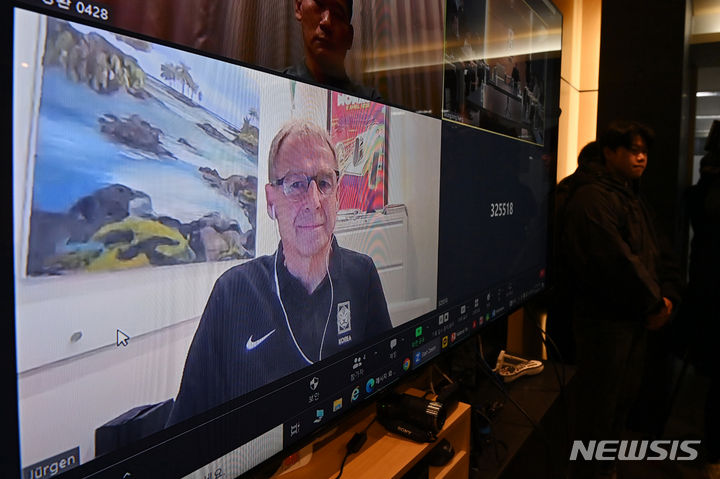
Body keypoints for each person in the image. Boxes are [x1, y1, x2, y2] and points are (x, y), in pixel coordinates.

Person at [168, 120, 392, 426]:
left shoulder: (362, 274)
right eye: (297, 184)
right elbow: (187, 430)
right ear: (272, 201)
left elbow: (386, 382)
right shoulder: (233, 293)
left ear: (337, 194)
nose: (314, 202)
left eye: (324, 183)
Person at [560, 121, 681, 478]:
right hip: (604, 322)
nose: (641, 157)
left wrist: (666, 298)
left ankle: (604, 468)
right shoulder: (593, 195)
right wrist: (656, 303)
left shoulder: (627, 192)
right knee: (599, 407)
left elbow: (652, 253)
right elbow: (615, 260)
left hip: (630, 320)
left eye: (644, 151)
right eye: (632, 149)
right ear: (610, 151)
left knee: (619, 403)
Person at [284, 0, 382, 101]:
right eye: (320, 5)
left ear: (349, 37)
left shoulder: (371, 102)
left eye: (337, 14)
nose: (326, 21)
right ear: (299, 7)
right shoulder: (272, 86)